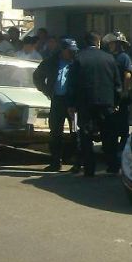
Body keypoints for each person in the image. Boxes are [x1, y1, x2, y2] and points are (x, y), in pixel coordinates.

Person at [67, 32, 122, 176]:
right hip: (106, 102)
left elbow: (72, 83)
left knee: (86, 136)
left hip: (85, 103)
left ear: (85, 43)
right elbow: (117, 83)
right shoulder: (109, 58)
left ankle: (89, 168)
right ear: (98, 43)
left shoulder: (78, 58)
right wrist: (116, 102)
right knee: (109, 135)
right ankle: (113, 165)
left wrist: (71, 104)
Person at [34, 38, 79, 172]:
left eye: (74, 51)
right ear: (62, 50)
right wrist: (46, 90)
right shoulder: (51, 62)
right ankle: (55, 162)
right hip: (57, 101)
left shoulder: (77, 62)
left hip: (73, 103)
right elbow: (37, 76)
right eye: (69, 51)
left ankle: (77, 162)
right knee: (55, 132)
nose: (72, 53)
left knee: (76, 131)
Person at [102, 32, 132, 153]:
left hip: (120, 96)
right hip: (110, 95)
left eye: (112, 43)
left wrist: (125, 92)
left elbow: (127, 75)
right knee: (111, 124)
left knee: (123, 125)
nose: (110, 46)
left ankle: (122, 149)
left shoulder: (124, 57)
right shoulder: (109, 57)